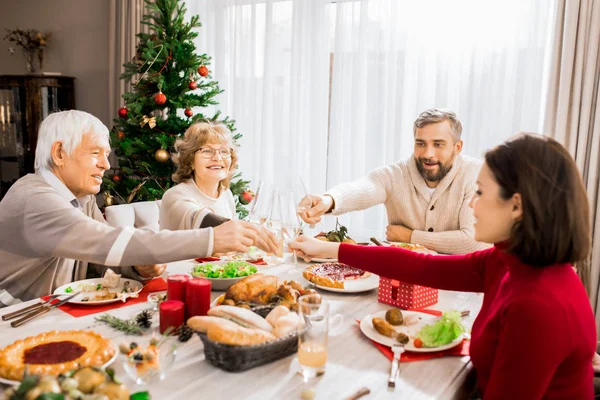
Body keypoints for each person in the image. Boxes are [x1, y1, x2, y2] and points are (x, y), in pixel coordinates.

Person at [291, 133, 596, 399]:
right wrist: (331, 249)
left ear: (516, 206)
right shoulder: (509, 261)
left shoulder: (538, 305)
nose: (471, 204)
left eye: (480, 192)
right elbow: (421, 266)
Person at [0, 110, 278, 307]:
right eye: (96, 153)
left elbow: (104, 256)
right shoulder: (34, 200)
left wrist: (138, 266)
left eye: (106, 155)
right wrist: (212, 238)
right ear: (59, 154)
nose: (106, 165)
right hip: (11, 320)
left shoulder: (80, 198)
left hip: (46, 312)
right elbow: (108, 242)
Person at [299, 108, 489, 254]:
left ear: (457, 147)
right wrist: (327, 201)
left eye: (438, 144)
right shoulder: (396, 174)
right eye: (420, 143)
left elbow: (473, 241)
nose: (428, 154)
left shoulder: (476, 174)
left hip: (463, 288)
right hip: (404, 282)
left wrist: (411, 237)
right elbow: (364, 188)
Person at [160, 121, 237, 229]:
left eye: (224, 151)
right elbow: (200, 220)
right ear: (190, 160)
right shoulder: (175, 195)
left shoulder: (226, 194)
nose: (218, 158)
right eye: (207, 151)